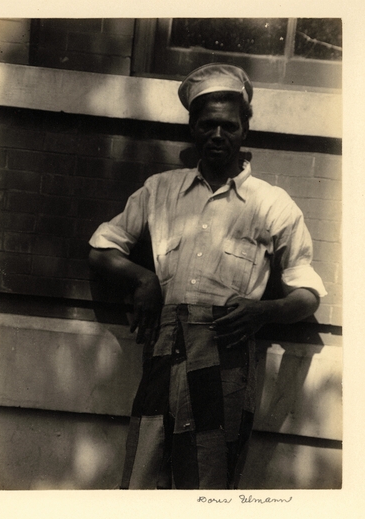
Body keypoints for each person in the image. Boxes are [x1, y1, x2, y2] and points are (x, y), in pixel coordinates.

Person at [88, 63, 327, 490]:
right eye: (208, 124)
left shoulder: (272, 203)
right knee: (143, 478)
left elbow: (308, 292)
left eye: (229, 126)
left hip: (227, 356)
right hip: (163, 352)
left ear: (245, 129)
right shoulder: (160, 190)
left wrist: (263, 312)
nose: (218, 134)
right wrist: (143, 279)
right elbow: (102, 247)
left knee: (209, 486)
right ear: (193, 130)